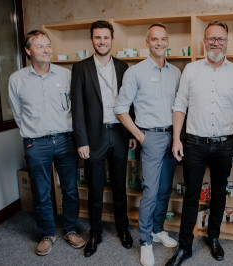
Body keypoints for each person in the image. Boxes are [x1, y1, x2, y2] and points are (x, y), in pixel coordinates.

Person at [166, 20, 233, 266]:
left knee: (219, 193)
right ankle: (184, 247)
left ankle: (213, 237)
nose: (216, 43)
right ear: (204, 41)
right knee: (191, 195)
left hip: (224, 145)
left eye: (220, 39)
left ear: (227, 42)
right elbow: (180, 105)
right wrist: (176, 138)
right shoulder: (191, 70)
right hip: (195, 144)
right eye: (211, 38)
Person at [9, 30, 85, 256]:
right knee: (41, 192)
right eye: (40, 46)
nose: (47, 50)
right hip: (36, 143)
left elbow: (75, 107)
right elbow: (18, 113)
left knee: (71, 189)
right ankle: (47, 233)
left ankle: (70, 230)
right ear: (28, 50)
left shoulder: (65, 75)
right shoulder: (17, 79)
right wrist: (31, 134)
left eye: (49, 45)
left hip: (65, 140)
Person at [114, 23, 180, 266]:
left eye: (163, 39)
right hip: (149, 137)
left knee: (164, 188)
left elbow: (179, 107)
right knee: (151, 191)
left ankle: (157, 230)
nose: (159, 43)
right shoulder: (135, 72)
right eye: (155, 39)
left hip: (172, 136)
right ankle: (145, 241)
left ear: (168, 41)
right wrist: (140, 136)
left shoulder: (176, 72)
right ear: (147, 42)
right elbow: (120, 108)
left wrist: (177, 136)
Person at [71, 20, 134, 257]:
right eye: (97, 37)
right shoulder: (81, 68)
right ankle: (95, 233)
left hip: (119, 132)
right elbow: (76, 108)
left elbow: (130, 101)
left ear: (112, 40)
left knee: (120, 186)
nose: (102, 41)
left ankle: (123, 229)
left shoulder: (123, 66)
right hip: (94, 137)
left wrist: (131, 134)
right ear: (92, 40)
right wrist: (81, 141)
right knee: (95, 188)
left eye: (106, 37)